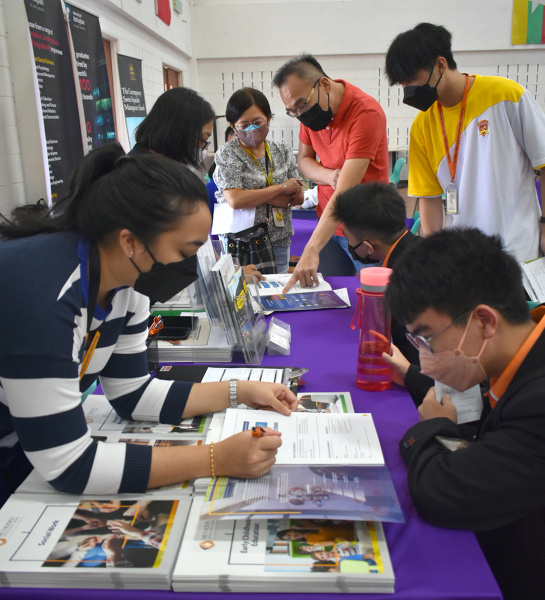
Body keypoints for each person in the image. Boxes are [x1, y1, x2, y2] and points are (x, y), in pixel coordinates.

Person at [0, 144, 298, 507]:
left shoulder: (127, 279)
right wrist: (215, 459)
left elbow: (133, 394)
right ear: (131, 242)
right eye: (185, 252)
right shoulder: (47, 297)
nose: (190, 268)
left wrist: (240, 391)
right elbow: (70, 465)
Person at [383, 227, 545, 599]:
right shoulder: (520, 349)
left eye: (427, 338)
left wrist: (434, 427)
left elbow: (441, 490)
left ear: (485, 321)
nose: (424, 353)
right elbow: (475, 405)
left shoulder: (538, 407)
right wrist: (412, 377)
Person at [385, 23, 545, 263]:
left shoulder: (506, 96)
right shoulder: (422, 126)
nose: (407, 91)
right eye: (402, 84)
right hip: (462, 260)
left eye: (411, 80)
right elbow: (429, 202)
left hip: (518, 252)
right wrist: (434, 256)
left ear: (440, 65)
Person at [272, 54, 389, 288]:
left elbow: (344, 192)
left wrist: (311, 248)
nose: (300, 115)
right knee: (333, 295)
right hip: (328, 222)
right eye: (292, 111)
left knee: (378, 298)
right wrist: (330, 176)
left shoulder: (365, 113)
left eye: (302, 105)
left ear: (324, 85)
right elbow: (304, 162)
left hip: (366, 228)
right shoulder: (309, 117)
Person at [212, 87, 304, 273]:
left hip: (278, 239)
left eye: (257, 122)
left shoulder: (282, 150)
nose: (252, 129)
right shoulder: (228, 153)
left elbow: (299, 197)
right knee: (242, 297)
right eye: (244, 125)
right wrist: (281, 188)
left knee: (276, 294)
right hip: (239, 243)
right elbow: (236, 201)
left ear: (269, 118)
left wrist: (252, 195)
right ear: (232, 126)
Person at [332, 182, 421, 364]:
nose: (350, 246)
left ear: (369, 247)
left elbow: (412, 362)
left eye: (350, 240)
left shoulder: (399, 287)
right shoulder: (418, 248)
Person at [129, 86, 215, 181]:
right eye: (202, 140)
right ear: (177, 132)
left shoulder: (163, 169)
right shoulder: (138, 176)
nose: (205, 149)